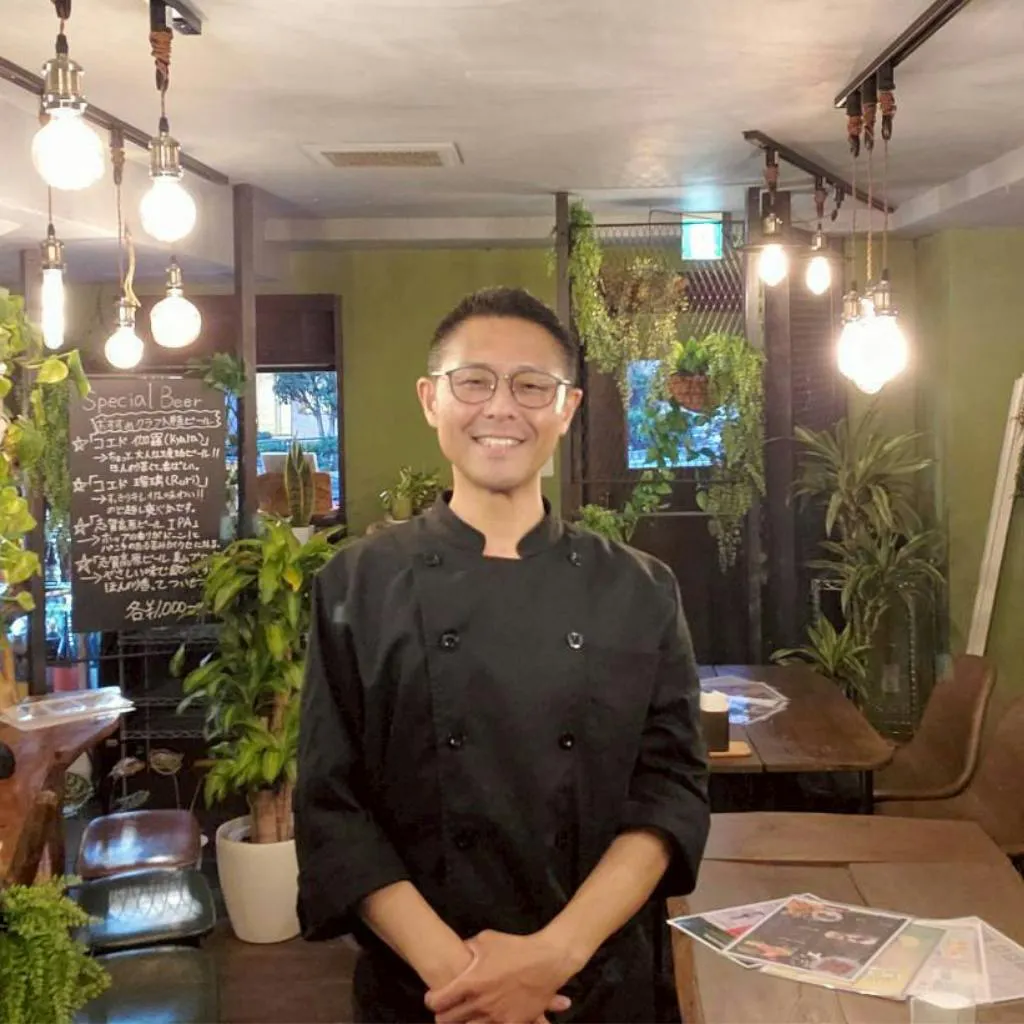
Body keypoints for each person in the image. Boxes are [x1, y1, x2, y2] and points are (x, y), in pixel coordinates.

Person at [295, 287, 710, 1024]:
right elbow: (334, 806)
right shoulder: (357, 583)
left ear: (567, 408)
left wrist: (552, 957)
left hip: (592, 984)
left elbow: (669, 791)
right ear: (430, 399)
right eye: (474, 381)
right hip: (427, 995)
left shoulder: (640, 588)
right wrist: (464, 981)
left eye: (530, 386)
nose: (500, 408)